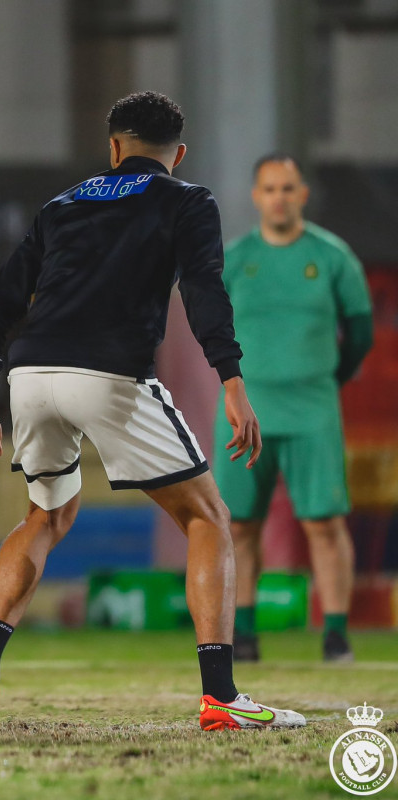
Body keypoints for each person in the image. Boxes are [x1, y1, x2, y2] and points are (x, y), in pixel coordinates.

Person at [0, 91, 305, 731]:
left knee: (46, 516)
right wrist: (231, 379)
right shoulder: (188, 200)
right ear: (179, 154)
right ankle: (221, 695)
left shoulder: (62, 205)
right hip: (108, 372)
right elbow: (202, 290)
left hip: (29, 376)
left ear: (114, 148)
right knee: (208, 517)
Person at [217, 155, 374, 664]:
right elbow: (213, 330)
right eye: (269, 189)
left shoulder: (333, 257)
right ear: (255, 196)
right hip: (249, 410)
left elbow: (360, 331)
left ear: (303, 194)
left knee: (324, 523)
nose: (279, 197)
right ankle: (243, 633)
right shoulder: (236, 260)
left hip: (313, 410)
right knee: (239, 523)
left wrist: (328, 377)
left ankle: (335, 635)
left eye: (288, 188)